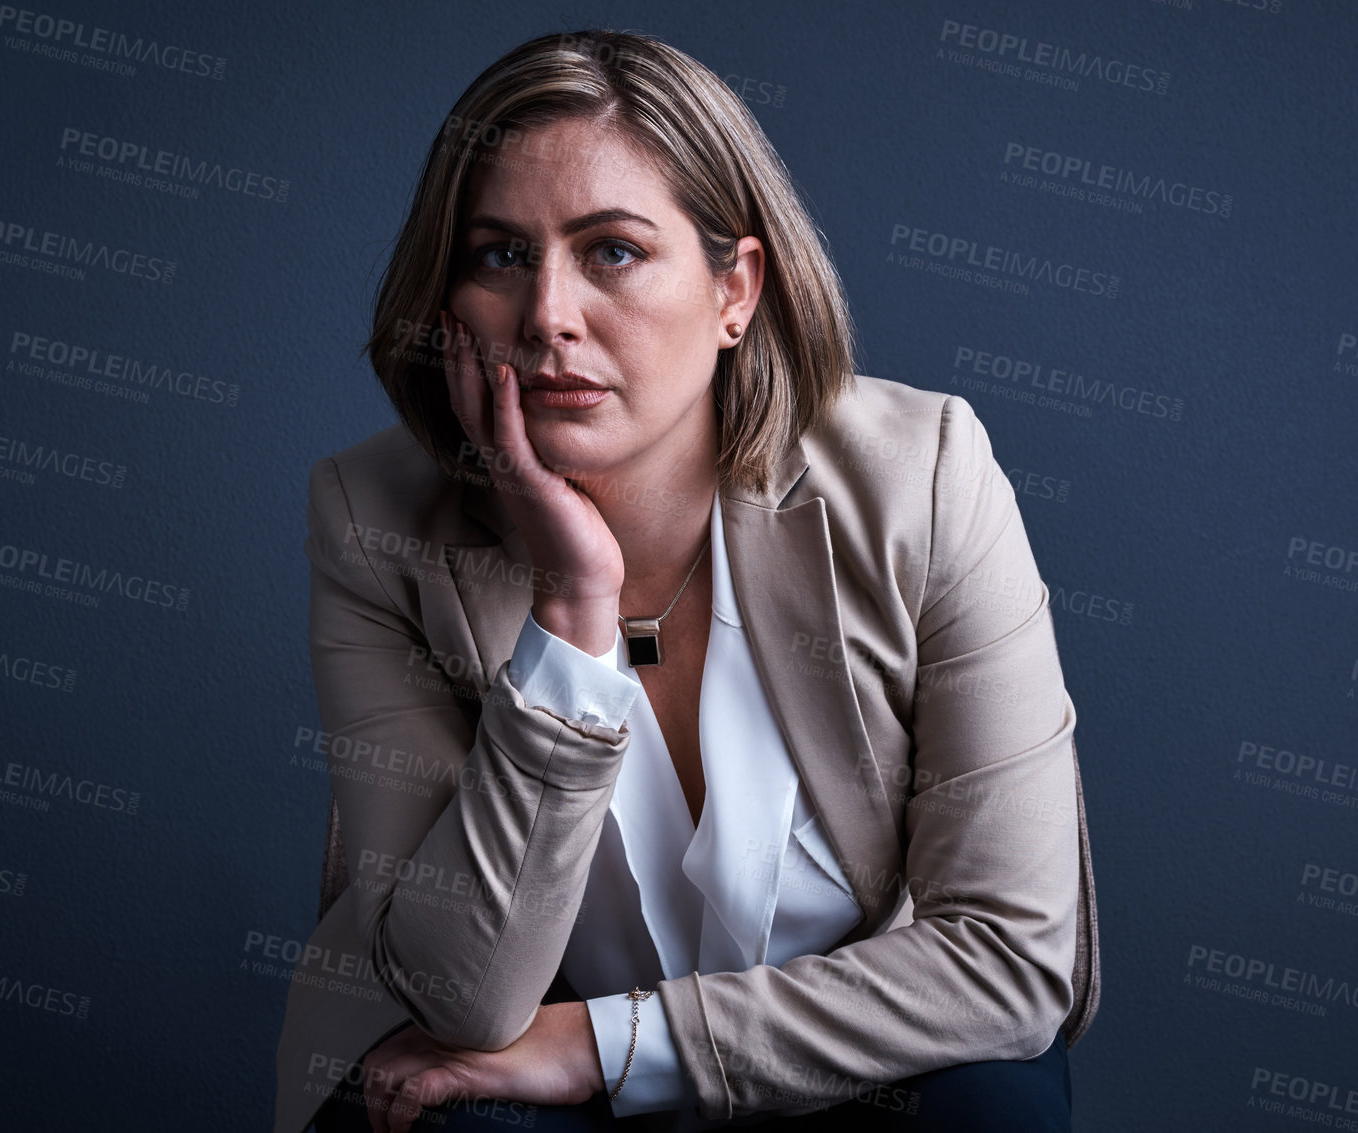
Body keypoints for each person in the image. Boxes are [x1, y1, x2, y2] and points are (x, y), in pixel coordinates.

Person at [275, 27, 1098, 1133]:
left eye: (610, 250)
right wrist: (568, 616)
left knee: (992, 1103)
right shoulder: (372, 519)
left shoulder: (923, 479)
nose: (548, 317)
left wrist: (611, 1045)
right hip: (516, 1067)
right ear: (448, 301)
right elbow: (461, 994)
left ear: (734, 291)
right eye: (500, 254)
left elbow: (1009, 958)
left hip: (839, 1055)